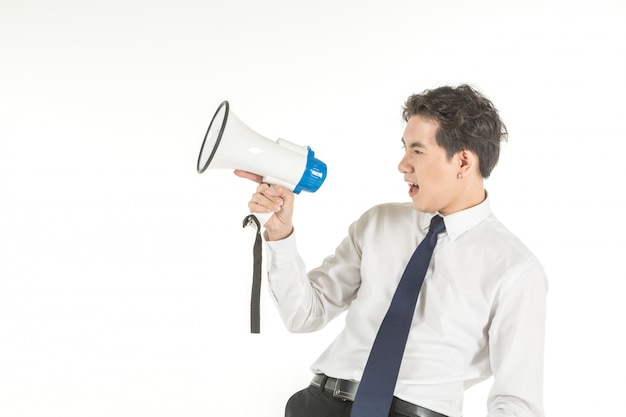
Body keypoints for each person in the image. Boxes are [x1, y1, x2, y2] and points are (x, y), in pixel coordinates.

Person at [235, 84, 548, 417]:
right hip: (322, 405)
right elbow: (304, 315)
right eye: (404, 148)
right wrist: (280, 233)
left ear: (463, 161)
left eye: (417, 151)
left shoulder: (516, 270)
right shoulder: (379, 222)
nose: (402, 164)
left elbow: (516, 404)